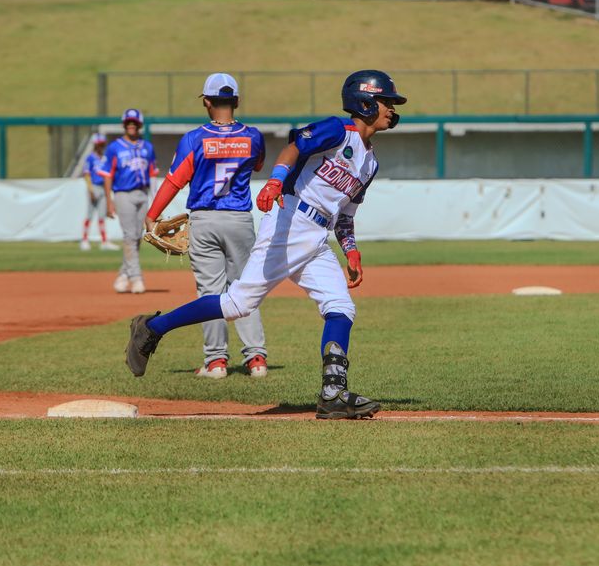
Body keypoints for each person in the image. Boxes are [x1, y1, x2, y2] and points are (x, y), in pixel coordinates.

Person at [122, 70, 407, 419]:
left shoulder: (370, 163)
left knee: (341, 307)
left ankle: (333, 393)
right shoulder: (338, 129)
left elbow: (346, 215)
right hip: (290, 222)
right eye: (386, 101)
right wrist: (274, 181)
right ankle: (151, 328)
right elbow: (294, 147)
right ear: (364, 102)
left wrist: (351, 250)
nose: (392, 109)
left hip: (317, 236)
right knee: (238, 303)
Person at [145, 73, 268, 379]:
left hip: (205, 218)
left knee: (210, 293)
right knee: (245, 287)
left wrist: (153, 214)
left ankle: (216, 362)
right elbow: (258, 165)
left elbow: (174, 181)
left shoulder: (194, 139)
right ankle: (256, 359)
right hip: (239, 219)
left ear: (207, 102)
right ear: (236, 101)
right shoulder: (253, 136)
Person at [102, 109, 158, 294]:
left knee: (137, 236)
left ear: (140, 125)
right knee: (129, 236)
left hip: (142, 193)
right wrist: (109, 201)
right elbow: (107, 175)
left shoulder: (147, 147)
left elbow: (152, 174)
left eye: (134, 122)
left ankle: (123, 275)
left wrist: (156, 202)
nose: (131, 125)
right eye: (128, 122)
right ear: (124, 124)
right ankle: (136, 278)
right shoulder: (115, 147)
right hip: (123, 194)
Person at [80, 133, 119, 252]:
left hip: (103, 188)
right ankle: (84, 240)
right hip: (94, 187)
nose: (101, 146)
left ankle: (104, 241)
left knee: (102, 216)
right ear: (95, 145)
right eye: (99, 144)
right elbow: (86, 174)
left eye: (102, 144)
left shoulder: (105, 158)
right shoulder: (90, 157)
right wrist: (90, 190)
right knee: (89, 215)